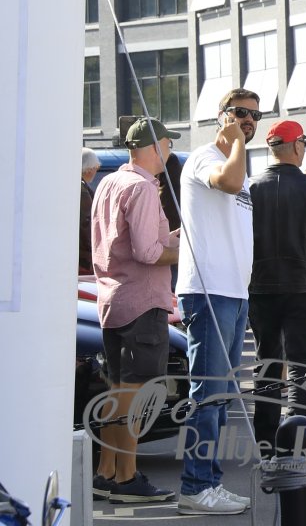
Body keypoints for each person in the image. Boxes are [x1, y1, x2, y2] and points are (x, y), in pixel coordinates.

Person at [175, 87, 259, 515]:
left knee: (221, 398)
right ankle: (195, 487)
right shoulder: (204, 157)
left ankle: (210, 481)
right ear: (222, 116)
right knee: (206, 395)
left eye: (255, 115)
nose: (249, 120)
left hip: (234, 293)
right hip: (209, 291)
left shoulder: (238, 163)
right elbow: (228, 182)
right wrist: (238, 141)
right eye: (240, 113)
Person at [89, 117, 182, 504]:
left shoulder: (108, 182)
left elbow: (130, 244)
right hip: (142, 302)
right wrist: (186, 250)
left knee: (118, 390)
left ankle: (107, 472)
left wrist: (172, 239)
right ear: (156, 146)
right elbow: (147, 252)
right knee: (135, 393)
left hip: (113, 299)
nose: (170, 152)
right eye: (168, 145)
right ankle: (126, 479)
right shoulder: (142, 187)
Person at [247, 120, 306, 453]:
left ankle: (265, 439)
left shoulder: (250, 188)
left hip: (260, 286)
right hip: (304, 285)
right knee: (302, 363)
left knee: (267, 360)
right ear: (297, 146)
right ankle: (298, 435)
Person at [80, 146, 100, 276]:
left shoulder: (76, 185)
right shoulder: (81, 190)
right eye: (96, 167)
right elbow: (87, 224)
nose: (96, 171)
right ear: (89, 168)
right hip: (84, 259)